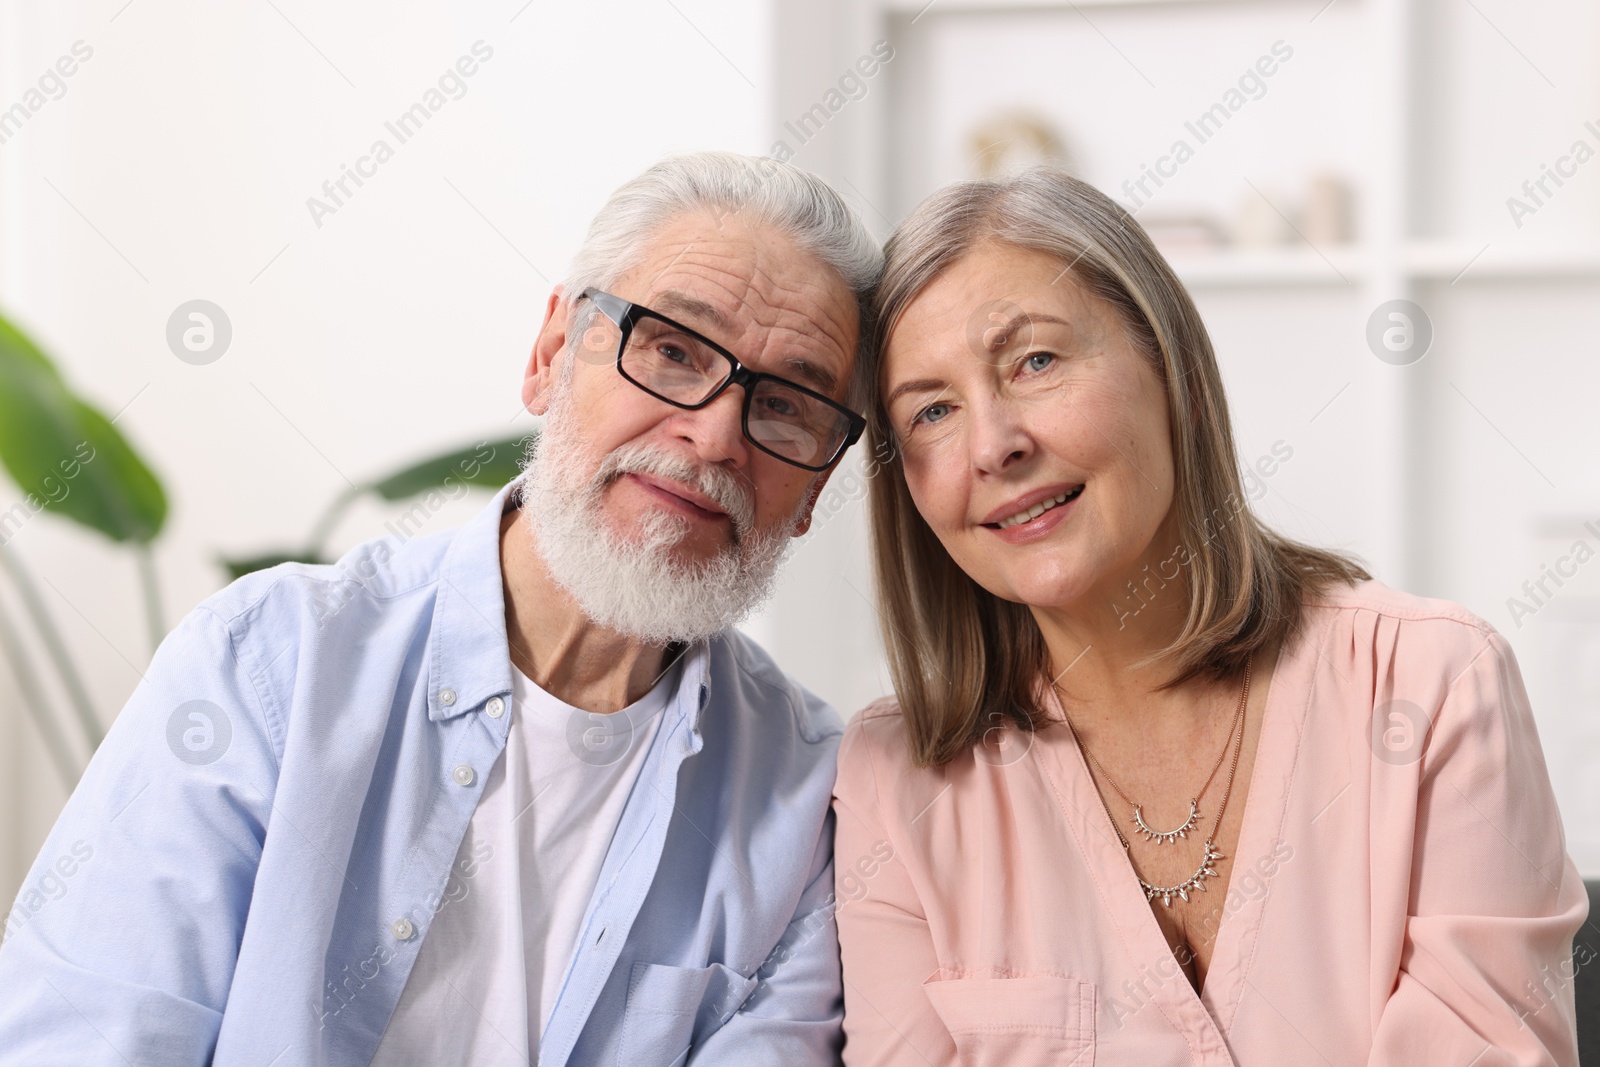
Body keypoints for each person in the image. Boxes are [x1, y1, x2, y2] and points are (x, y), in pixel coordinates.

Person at [0, 152, 879, 1066]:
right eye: (671, 350)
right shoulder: (267, 665)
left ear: (817, 487)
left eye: (786, 405)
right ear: (550, 356)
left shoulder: (807, 801)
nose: (714, 434)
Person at [832, 168, 1587, 1065]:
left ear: (1172, 363)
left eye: (1035, 360)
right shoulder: (895, 778)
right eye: (933, 411)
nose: (995, 444)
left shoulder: (1432, 685)